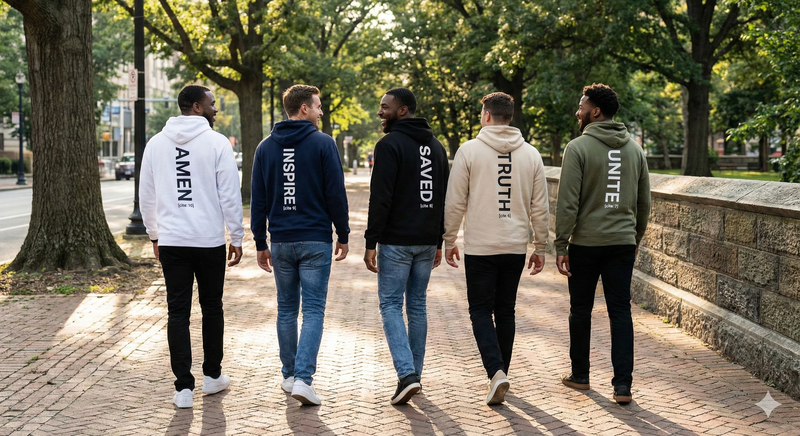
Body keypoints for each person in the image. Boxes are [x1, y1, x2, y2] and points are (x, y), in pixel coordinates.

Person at [140, 85, 244, 409]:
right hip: (209, 239)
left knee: (177, 312)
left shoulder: (156, 144)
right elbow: (229, 193)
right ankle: (212, 376)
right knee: (212, 308)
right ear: (198, 107)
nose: (216, 109)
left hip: (172, 241)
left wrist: (154, 234)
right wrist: (237, 236)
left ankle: (183, 388)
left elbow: (147, 195)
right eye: (213, 104)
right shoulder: (217, 143)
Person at [444, 92, 550, 405]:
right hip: (515, 245)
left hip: (480, 245)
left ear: (487, 115)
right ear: (510, 116)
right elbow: (540, 206)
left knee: (480, 309)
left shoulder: (469, 151)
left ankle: (496, 372)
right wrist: (540, 245)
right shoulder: (531, 154)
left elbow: (455, 201)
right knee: (505, 309)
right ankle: (501, 372)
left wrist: (449, 239)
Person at [251, 84, 350, 406]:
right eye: (318, 106)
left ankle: (289, 375)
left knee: (286, 309)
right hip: (314, 240)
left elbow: (259, 199)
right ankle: (304, 379)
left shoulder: (265, 147)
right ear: (304, 109)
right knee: (313, 310)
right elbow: (335, 193)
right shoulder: (323, 144)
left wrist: (259, 241)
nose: (321, 112)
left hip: (281, 241)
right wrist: (344, 233)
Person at [556, 83, 650, 405]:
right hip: (622, 243)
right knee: (620, 312)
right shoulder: (635, 149)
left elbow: (567, 202)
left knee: (580, 310)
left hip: (586, 244)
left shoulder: (578, 148)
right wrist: (634, 238)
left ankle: (580, 375)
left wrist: (560, 244)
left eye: (581, 106)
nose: (577, 111)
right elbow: (644, 203)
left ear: (595, 111)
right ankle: (623, 386)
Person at [363, 87, 449, 405]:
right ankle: (414, 376)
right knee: (417, 306)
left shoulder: (389, 145)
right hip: (426, 240)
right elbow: (443, 198)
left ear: (403, 111)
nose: (379, 112)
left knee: (389, 305)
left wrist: (371, 240)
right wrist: (439, 238)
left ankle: (406, 375)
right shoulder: (437, 148)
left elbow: (380, 197)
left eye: (384, 107)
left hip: (397, 241)